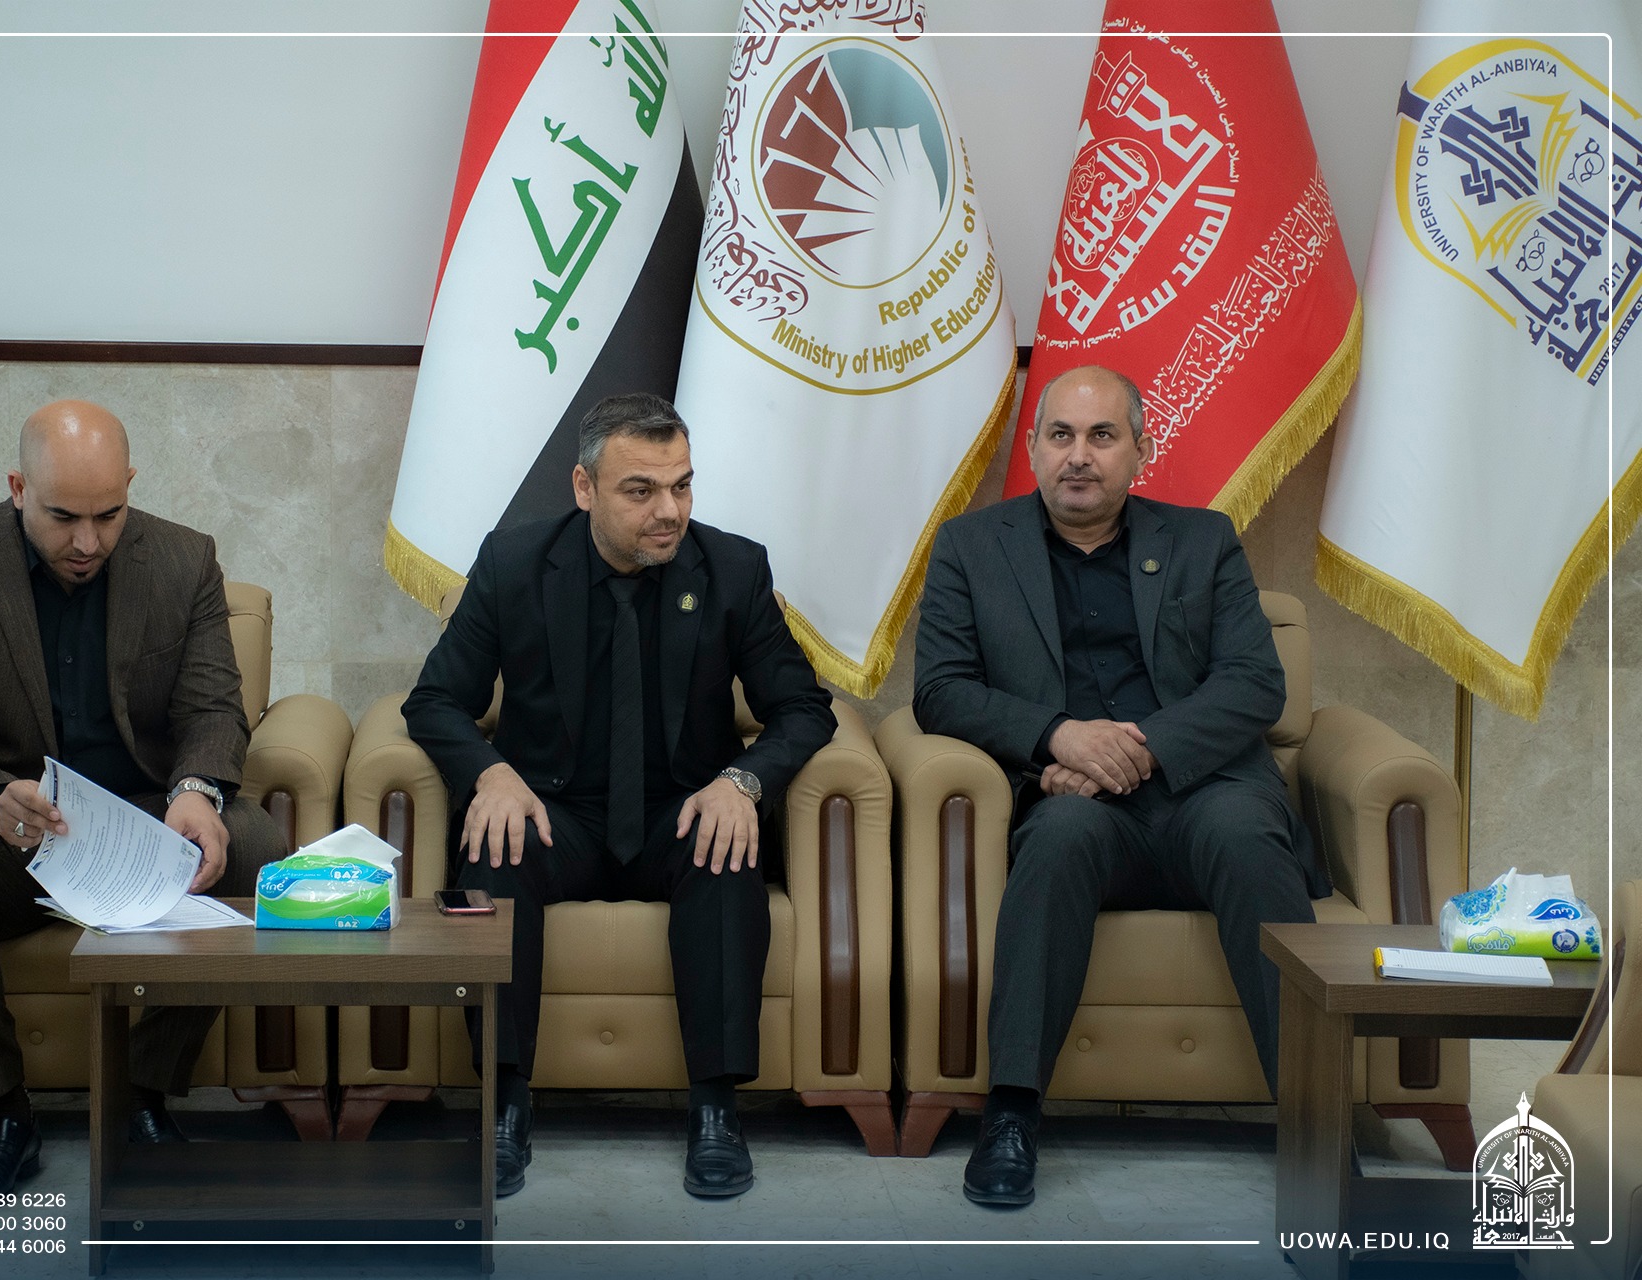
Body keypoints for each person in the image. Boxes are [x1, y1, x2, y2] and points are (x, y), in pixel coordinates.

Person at [912, 366, 1329, 1208]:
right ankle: (1011, 1114)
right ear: (1034, 449)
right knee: (1056, 841)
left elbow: (1254, 683)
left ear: (1140, 449)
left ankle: (1320, 1128)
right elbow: (941, 690)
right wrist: (1058, 737)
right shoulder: (970, 547)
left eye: (1102, 436)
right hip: (1076, 803)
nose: (1080, 455)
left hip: (1204, 790)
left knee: (1248, 838)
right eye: (1060, 435)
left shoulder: (1203, 541)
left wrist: (1140, 748)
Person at [403, 392, 835, 1199]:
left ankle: (716, 1110)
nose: (668, 511)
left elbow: (804, 708)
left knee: (725, 850)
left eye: (681, 486)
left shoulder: (733, 570)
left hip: (681, 810)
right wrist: (491, 774)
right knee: (492, 855)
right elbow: (434, 701)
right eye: (641, 491)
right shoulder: (514, 563)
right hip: (553, 812)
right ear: (585, 488)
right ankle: (505, 1104)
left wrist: (741, 782)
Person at [0, 399, 287, 1196]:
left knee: (256, 844)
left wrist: (195, 790)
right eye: (63, 517)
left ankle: (141, 1095)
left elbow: (213, 709)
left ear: (129, 485)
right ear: (17, 487)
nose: (88, 542)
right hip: (9, 837)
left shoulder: (184, 559)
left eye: (109, 514)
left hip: (140, 828)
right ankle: (3, 1111)